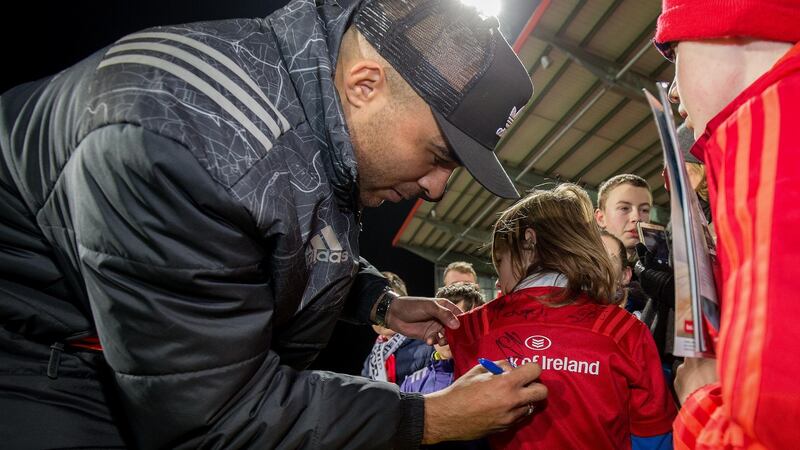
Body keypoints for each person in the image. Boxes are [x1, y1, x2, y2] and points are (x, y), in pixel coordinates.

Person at [0, 0, 549, 448]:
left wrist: (380, 303)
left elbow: (281, 234)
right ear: (365, 85)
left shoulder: (313, 106)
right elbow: (213, 420)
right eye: (437, 155)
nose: (435, 189)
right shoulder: (189, 147)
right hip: (41, 356)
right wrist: (428, 418)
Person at [654, 0, 800, 448]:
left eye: (676, 53)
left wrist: (699, 399)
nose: (673, 91)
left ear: (731, 30)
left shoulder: (779, 156)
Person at [447, 184, 677, 450]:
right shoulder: (624, 329)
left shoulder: (471, 327)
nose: (499, 278)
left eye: (500, 260)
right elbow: (653, 436)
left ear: (528, 243)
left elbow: (459, 427)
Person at [400, 282, 486, 395]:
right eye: (441, 322)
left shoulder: (495, 378)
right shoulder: (411, 385)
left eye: (460, 323)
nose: (448, 332)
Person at [362, 272, 434, 386]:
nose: (382, 315)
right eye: (376, 309)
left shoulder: (428, 343)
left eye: (388, 306)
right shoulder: (371, 360)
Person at [594, 174, 654, 260]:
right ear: (601, 218)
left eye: (644, 210)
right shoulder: (577, 268)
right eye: (624, 208)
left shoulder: (670, 267)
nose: (636, 218)